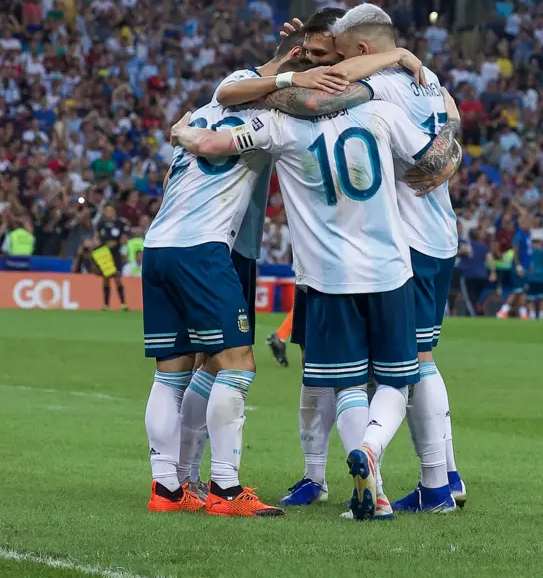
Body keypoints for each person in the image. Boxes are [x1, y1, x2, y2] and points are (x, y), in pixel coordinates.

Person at [171, 61, 459, 521]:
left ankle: (375, 492)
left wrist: (184, 134)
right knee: (397, 379)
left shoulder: (280, 126)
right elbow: (440, 154)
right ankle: (377, 449)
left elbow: (212, 138)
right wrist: (445, 151)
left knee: (344, 383)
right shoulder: (381, 114)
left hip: (328, 278)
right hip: (391, 270)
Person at [173, 31, 348, 496]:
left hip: (237, 244)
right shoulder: (256, 93)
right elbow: (227, 92)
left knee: (211, 366)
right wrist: (292, 72)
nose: (316, 71)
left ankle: (183, 478)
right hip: (219, 243)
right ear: (293, 57)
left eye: (324, 61)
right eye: (310, 59)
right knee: (226, 363)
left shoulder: (273, 104)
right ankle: (212, 483)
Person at [331, 3, 464, 513]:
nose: (338, 63)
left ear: (364, 50)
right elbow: (452, 120)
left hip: (404, 239)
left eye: (345, 53)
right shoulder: (426, 79)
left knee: (406, 365)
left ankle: (433, 487)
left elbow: (339, 78)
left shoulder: (385, 82)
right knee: (418, 357)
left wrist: (398, 54)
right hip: (439, 232)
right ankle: (447, 476)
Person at [142, 86, 287, 516]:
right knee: (238, 363)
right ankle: (226, 488)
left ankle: (168, 487)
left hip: (159, 243)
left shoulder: (201, 112)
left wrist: (180, 134)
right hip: (209, 249)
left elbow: (172, 178)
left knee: (173, 372)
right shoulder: (269, 118)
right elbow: (210, 145)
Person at [94, 203, 128, 311]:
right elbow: (96, 238)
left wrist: (116, 243)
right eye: (106, 210)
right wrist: (100, 244)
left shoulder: (120, 224)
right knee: (106, 278)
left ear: (114, 211)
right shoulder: (101, 224)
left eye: (110, 210)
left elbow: (124, 240)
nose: (108, 212)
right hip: (105, 254)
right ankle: (106, 305)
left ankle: (123, 304)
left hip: (116, 253)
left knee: (117, 278)